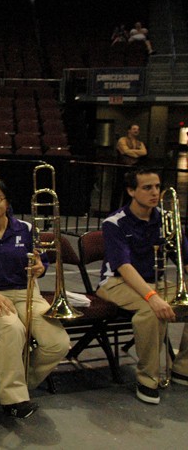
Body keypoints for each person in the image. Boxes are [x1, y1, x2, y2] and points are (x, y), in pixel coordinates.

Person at [0, 177, 70, 418]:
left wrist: (40, 267)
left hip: (27, 292)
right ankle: (13, 399)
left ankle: (20, 381)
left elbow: (42, 261)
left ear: (7, 202)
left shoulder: (27, 230)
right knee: (12, 328)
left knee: (57, 342)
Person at [97, 168, 188, 405]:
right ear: (131, 191)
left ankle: (182, 367)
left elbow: (184, 259)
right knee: (150, 311)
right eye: (147, 187)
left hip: (154, 282)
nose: (155, 192)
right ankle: (148, 377)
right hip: (116, 283)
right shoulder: (115, 223)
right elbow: (124, 268)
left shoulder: (166, 219)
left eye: (157, 186)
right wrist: (152, 296)